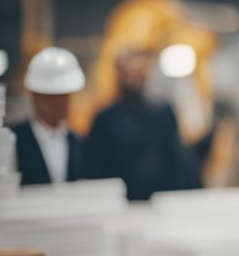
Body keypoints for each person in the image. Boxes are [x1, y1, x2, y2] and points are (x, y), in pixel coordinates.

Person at [82, 47, 200, 200]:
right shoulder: (105, 119)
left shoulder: (162, 113)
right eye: (131, 72)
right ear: (119, 73)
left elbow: (175, 161)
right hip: (121, 204)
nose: (137, 77)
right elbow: (95, 169)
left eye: (141, 72)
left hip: (160, 203)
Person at [12, 47, 86, 186]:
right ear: (34, 96)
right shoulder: (15, 140)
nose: (59, 103)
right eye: (51, 97)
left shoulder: (78, 143)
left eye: (64, 96)